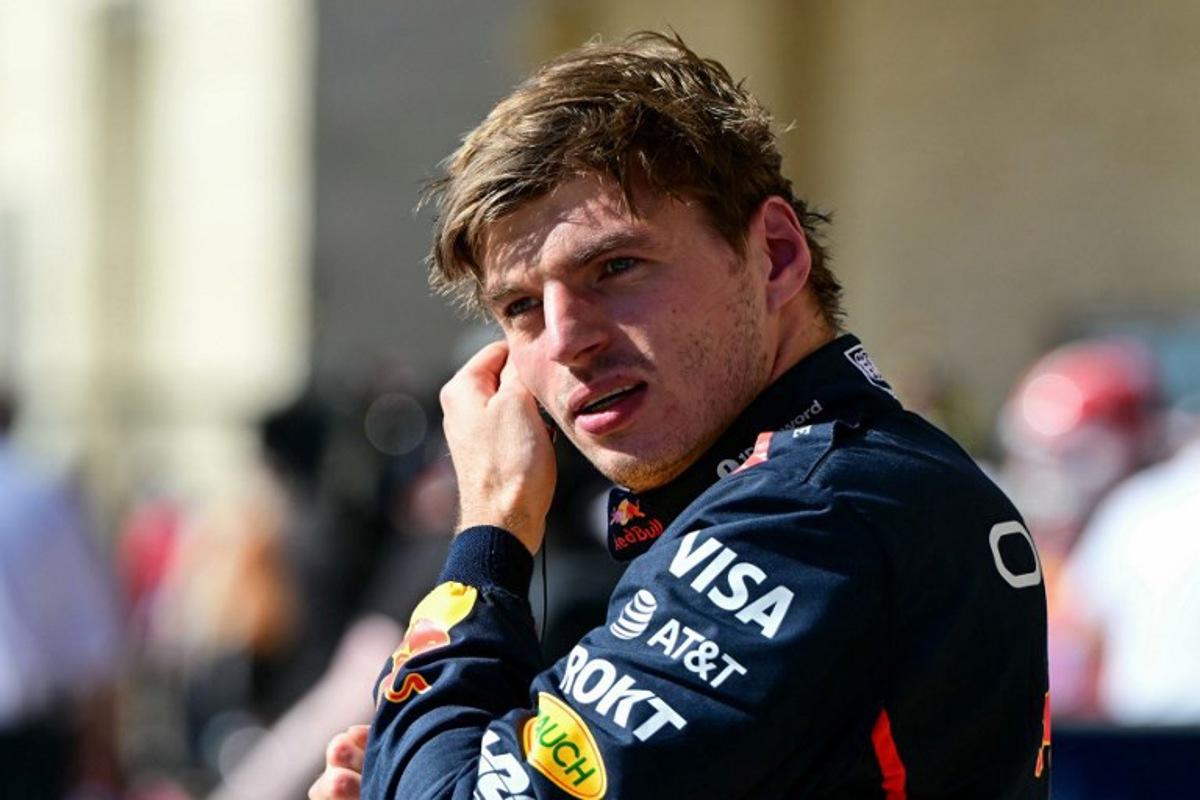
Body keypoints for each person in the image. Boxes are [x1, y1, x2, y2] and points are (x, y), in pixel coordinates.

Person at [310, 33, 1049, 799]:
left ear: (775, 254)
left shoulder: (807, 514)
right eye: (521, 307)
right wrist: (428, 762)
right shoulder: (857, 477)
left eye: (615, 268)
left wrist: (492, 532)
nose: (567, 341)